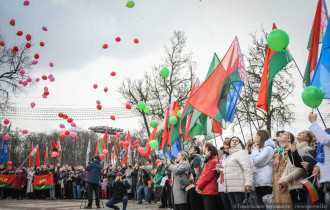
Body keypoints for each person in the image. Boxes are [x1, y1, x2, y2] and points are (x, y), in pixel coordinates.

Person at [224, 136, 253, 206]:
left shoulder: (242, 152)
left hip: (239, 186)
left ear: (240, 143)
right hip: (231, 187)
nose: (234, 141)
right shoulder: (231, 155)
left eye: (236, 140)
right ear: (230, 144)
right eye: (232, 140)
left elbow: (247, 168)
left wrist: (248, 183)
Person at [309, 113, 330, 209]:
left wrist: (313, 122)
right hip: (326, 179)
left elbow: (325, 140)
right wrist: (318, 166)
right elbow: (326, 155)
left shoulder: (326, 138)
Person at [251, 130, 275, 205]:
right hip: (257, 181)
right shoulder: (261, 149)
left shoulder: (268, 148)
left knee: (267, 205)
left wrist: (254, 150)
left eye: (257, 135)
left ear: (261, 137)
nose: (255, 137)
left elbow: (258, 161)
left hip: (265, 182)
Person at [195, 142, 219, 210]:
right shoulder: (208, 161)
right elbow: (202, 174)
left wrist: (199, 186)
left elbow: (207, 177)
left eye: (206, 151)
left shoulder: (213, 161)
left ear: (209, 152)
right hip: (206, 189)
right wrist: (197, 184)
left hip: (210, 190)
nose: (205, 153)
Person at [187, 146, 204, 210]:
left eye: (192, 149)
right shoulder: (193, 158)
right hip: (192, 180)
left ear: (196, 151)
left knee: (195, 200)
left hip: (194, 181)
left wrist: (189, 170)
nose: (190, 149)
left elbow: (196, 171)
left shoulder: (197, 158)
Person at [217, 138, 232, 210]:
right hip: (222, 183)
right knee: (226, 205)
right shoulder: (223, 156)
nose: (226, 150)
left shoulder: (233, 155)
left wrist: (223, 168)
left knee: (232, 205)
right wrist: (218, 169)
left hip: (230, 183)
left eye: (227, 148)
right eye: (225, 148)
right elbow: (220, 166)